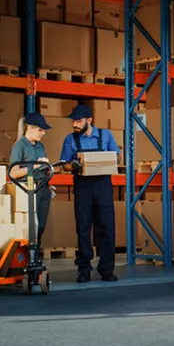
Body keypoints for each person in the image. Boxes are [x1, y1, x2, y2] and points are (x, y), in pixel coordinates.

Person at [60, 104, 121, 283]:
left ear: (89, 120)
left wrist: (108, 159)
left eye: (78, 121)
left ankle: (107, 270)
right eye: (73, 121)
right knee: (83, 229)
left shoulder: (106, 135)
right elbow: (64, 165)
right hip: (83, 187)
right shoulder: (70, 139)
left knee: (107, 228)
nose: (75, 125)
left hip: (103, 187)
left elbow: (118, 158)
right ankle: (84, 269)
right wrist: (73, 165)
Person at [7, 113, 57, 253]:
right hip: (29, 189)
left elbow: (42, 167)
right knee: (31, 225)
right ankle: (29, 254)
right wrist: (35, 166)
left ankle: (36, 253)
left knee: (41, 225)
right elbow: (13, 172)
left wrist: (48, 173)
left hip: (43, 187)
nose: (43, 133)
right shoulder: (19, 146)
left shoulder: (40, 146)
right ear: (29, 128)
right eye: (40, 130)